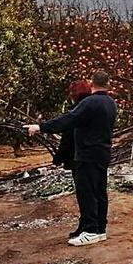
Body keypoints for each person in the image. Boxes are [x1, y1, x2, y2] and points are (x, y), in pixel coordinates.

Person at [24, 71, 118, 246]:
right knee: (99, 192)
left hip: (87, 154)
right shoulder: (111, 103)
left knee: (87, 192)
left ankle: (90, 230)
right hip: (103, 152)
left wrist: (41, 127)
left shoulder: (90, 102)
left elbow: (68, 120)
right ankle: (99, 229)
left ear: (92, 83)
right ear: (108, 83)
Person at [52, 79, 93, 238]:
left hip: (79, 157)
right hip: (90, 155)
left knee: (84, 194)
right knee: (90, 193)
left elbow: (68, 137)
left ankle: (87, 227)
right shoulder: (92, 108)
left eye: (71, 92)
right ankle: (88, 226)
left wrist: (58, 157)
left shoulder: (78, 111)